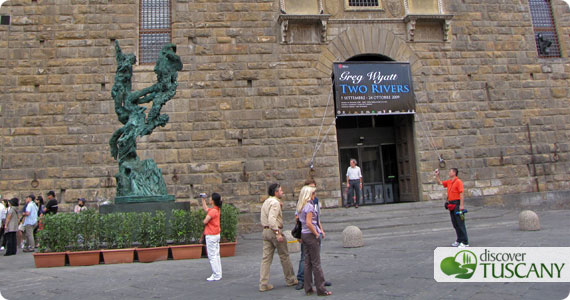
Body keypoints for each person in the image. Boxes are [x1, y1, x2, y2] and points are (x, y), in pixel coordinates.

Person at [259, 183, 298, 292]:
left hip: (265, 231)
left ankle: (263, 283)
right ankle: (290, 279)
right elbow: (272, 219)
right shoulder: (275, 203)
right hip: (273, 231)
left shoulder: (266, 202)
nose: (282, 192)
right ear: (276, 192)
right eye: (281, 191)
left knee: (266, 259)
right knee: (284, 256)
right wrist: (277, 232)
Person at [295, 179, 331, 290]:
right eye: (312, 190)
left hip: (305, 233)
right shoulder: (308, 205)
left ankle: (308, 285)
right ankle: (318, 285)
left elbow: (317, 218)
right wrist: (316, 233)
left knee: (308, 261)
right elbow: (308, 222)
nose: (314, 193)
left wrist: (321, 229)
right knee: (313, 261)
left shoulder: (308, 203)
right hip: (309, 234)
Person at [435, 168, 469, 248]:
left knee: (460, 224)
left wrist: (461, 205)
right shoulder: (449, 182)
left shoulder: (458, 182)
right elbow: (440, 183)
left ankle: (465, 241)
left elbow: (461, 193)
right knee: (455, 224)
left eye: (450, 171)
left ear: (454, 173)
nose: (449, 172)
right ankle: (459, 239)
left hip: (457, 204)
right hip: (451, 205)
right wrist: (437, 175)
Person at [201, 193, 223, 281]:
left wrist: (204, 221)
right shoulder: (216, 209)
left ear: (213, 201)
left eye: (210, 199)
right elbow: (206, 209)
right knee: (216, 255)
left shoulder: (213, 211)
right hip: (216, 234)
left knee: (212, 256)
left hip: (211, 235)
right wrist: (203, 200)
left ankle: (216, 274)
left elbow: (205, 221)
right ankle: (218, 273)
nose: (209, 200)